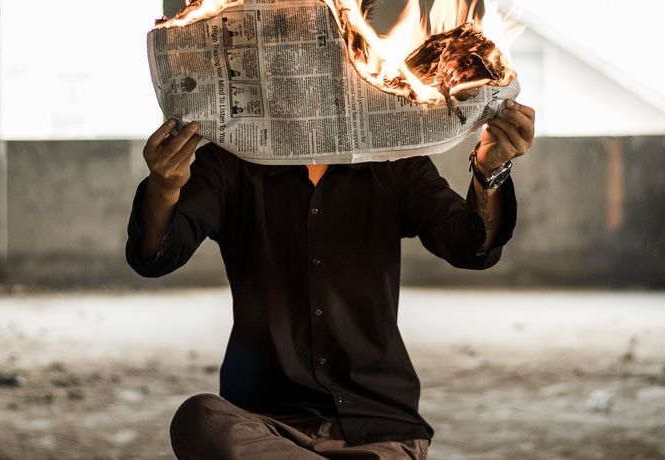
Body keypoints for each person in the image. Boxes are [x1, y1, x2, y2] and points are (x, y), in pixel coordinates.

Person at [126, 100, 536, 459]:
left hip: (378, 428)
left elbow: (471, 247)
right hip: (267, 424)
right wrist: (164, 187)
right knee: (200, 420)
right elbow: (157, 256)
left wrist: (491, 169)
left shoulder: (393, 160)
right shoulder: (231, 163)